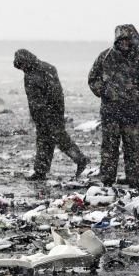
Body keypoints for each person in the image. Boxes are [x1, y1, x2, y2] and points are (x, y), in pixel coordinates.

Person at [88, 25, 139, 189]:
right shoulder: (105, 57)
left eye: (129, 39)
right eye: (122, 40)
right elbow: (92, 79)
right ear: (117, 40)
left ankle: (133, 180)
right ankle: (107, 180)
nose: (125, 43)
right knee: (109, 147)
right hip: (110, 112)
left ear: (134, 39)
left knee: (132, 147)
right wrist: (104, 91)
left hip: (132, 112)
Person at [13, 49, 88, 180]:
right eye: (20, 67)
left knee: (60, 139)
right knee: (44, 142)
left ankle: (80, 159)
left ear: (27, 61)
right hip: (42, 114)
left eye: (23, 65)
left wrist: (48, 112)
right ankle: (40, 171)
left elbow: (55, 94)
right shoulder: (31, 72)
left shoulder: (45, 70)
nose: (22, 68)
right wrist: (37, 114)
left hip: (51, 113)